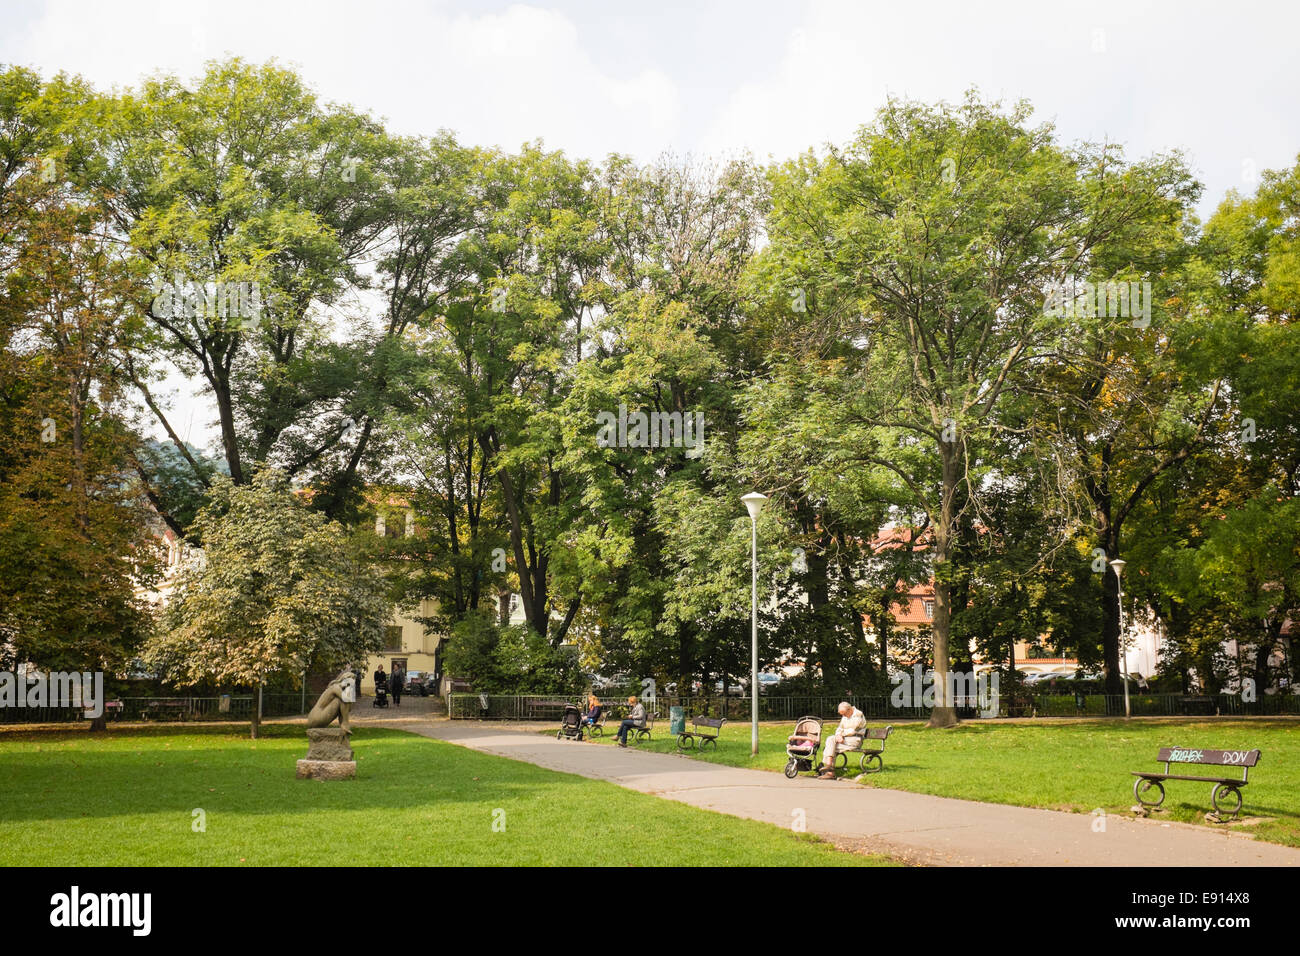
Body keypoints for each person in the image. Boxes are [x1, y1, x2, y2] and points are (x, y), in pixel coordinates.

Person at [820, 701, 866, 777]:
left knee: (830, 746)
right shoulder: (845, 715)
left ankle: (829, 770)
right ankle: (829, 768)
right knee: (830, 739)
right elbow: (840, 728)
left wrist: (841, 734)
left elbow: (853, 730)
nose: (843, 715)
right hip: (845, 740)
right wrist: (838, 735)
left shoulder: (858, 715)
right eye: (842, 714)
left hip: (855, 740)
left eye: (844, 713)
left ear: (849, 709)